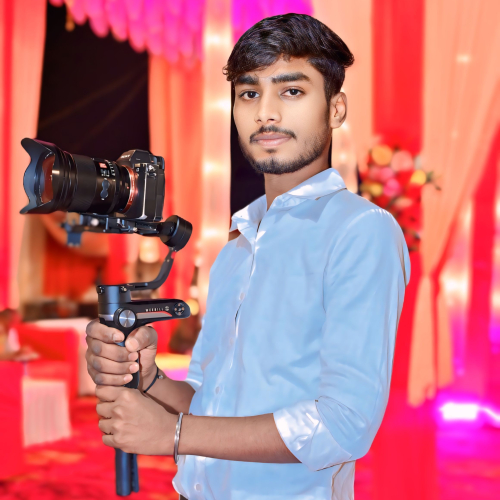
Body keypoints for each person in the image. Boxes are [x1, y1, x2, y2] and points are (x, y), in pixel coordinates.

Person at [85, 13, 410, 500]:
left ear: (336, 109)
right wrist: (148, 378)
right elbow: (207, 401)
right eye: (249, 93)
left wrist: (174, 435)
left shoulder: (361, 230)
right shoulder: (238, 246)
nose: (266, 113)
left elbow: (344, 424)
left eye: (292, 91)